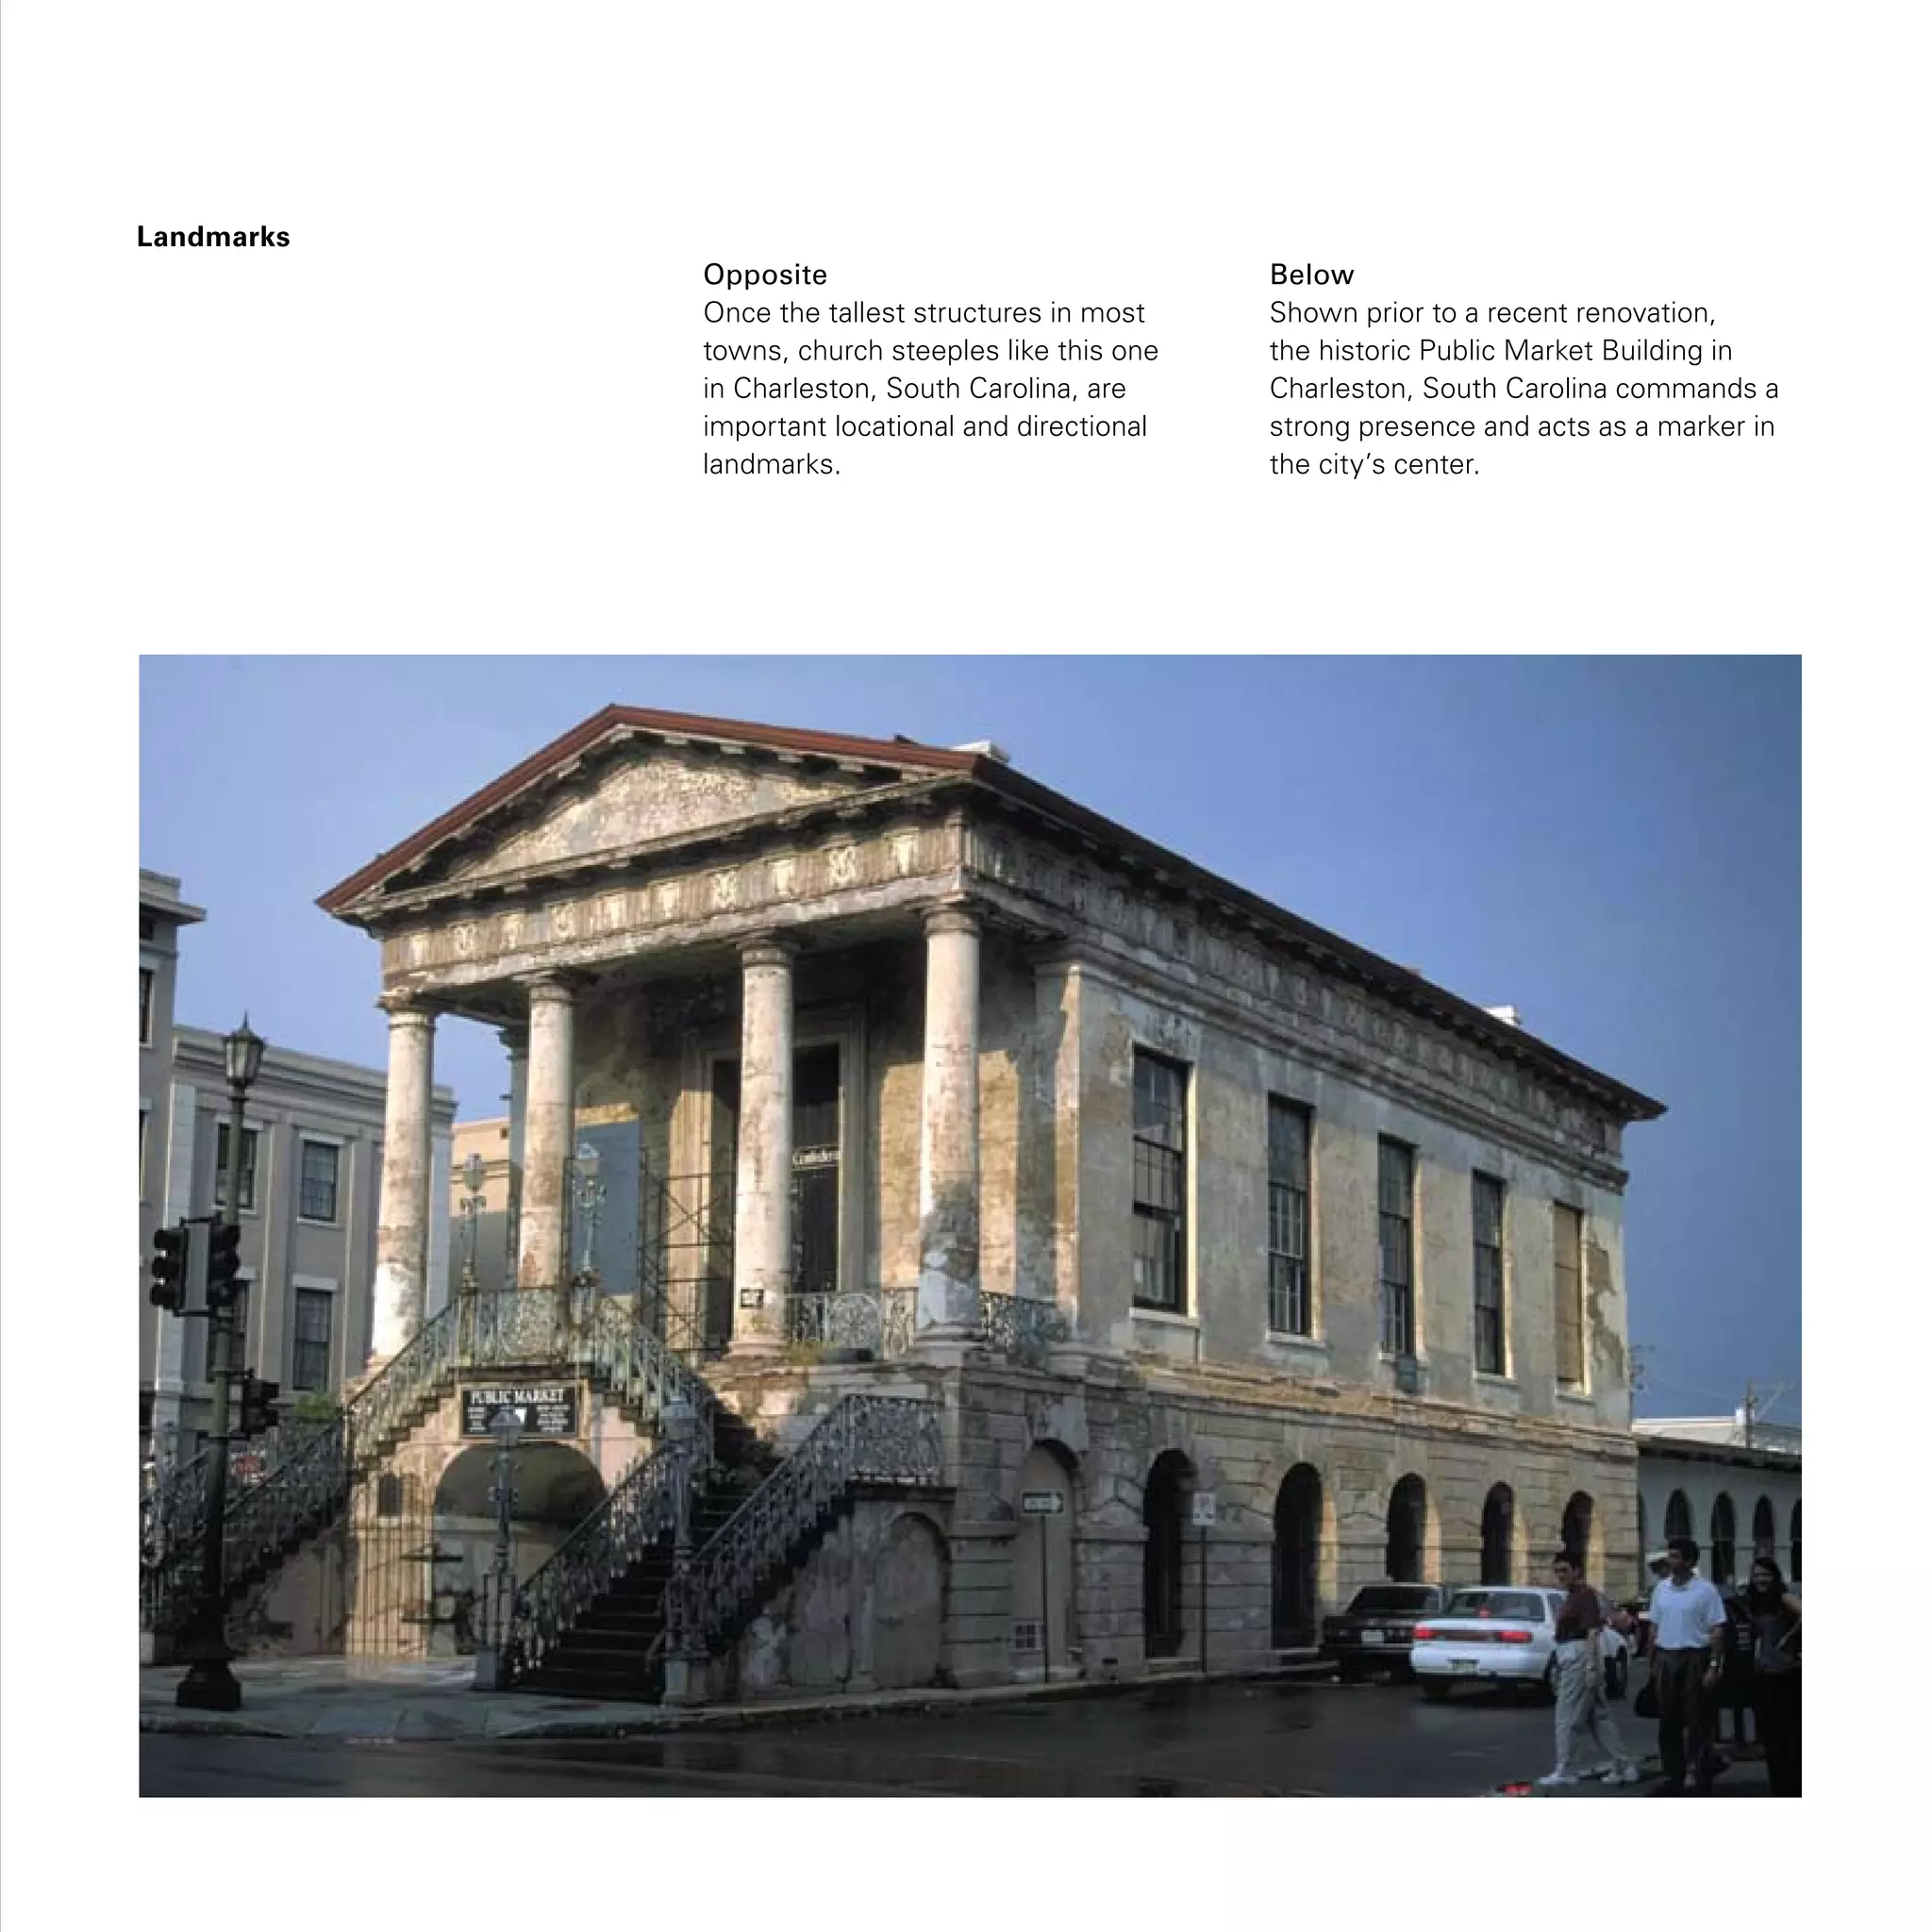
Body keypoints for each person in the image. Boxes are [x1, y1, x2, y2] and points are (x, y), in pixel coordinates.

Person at [1541, 1550, 1641, 1787]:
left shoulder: (1584, 1596)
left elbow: (1592, 1632)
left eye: (1565, 1570)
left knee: (1565, 1716)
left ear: (1577, 1570)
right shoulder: (1574, 1596)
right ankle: (1623, 1765)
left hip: (1578, 1655)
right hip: (1574, 1655)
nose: (1560, 1576)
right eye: (1557, 1571)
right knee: (1598, 1716)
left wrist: (1590, 1666)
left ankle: (1564, 1768)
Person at [1646, 1535, 1728, 1794]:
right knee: (1668, 1720)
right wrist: (1653, 1661)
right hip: (1666, 1656)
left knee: (1697, 1719)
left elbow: (1717, 1630)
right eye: (1669, 1555)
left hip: (1695, 1656)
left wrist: (1714, 1665)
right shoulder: (1662, 1589)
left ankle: (1697, 1771)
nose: (1670, 1561)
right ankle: (1673, 1774)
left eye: (1675, 1556)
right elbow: (1654, 1626)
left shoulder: (1705, 1590)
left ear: (1690, 1561)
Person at [1745, 1557, 1801, 1795]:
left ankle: (1795, 1785)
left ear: (1775, 1576)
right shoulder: (1753, 1603)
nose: (1761, 1580)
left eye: (1766, 1575)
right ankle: (1778, 1786)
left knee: (1791, 1735)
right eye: (1757, 1575)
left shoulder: (1782, 1598)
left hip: (1786, 1674)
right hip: (1763, 1675)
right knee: (1770, 1737)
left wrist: (1790, 1639)